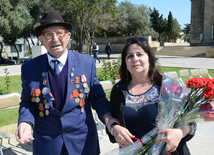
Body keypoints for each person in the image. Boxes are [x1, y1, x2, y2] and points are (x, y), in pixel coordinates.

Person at [15, 11, 118, 155]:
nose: (55, 39)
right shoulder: (29, 68)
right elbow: (27, 102)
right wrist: (25, 122)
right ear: (41, 40)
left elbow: (98, 98)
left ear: (68, 36)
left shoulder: (86, 63)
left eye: (59, 33)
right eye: (48, 35)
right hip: (47, 145)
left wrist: (109, 119)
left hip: (82, 144)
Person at [106, 38, 196, 155]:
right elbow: (113, 122)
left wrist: (180, 132)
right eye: (130, 56)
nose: (135, 59)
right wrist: (114, 129)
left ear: (150, 59)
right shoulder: (118, 91)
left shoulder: (168, 86)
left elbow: (191, 121)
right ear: (125, 64)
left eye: (139, 54)